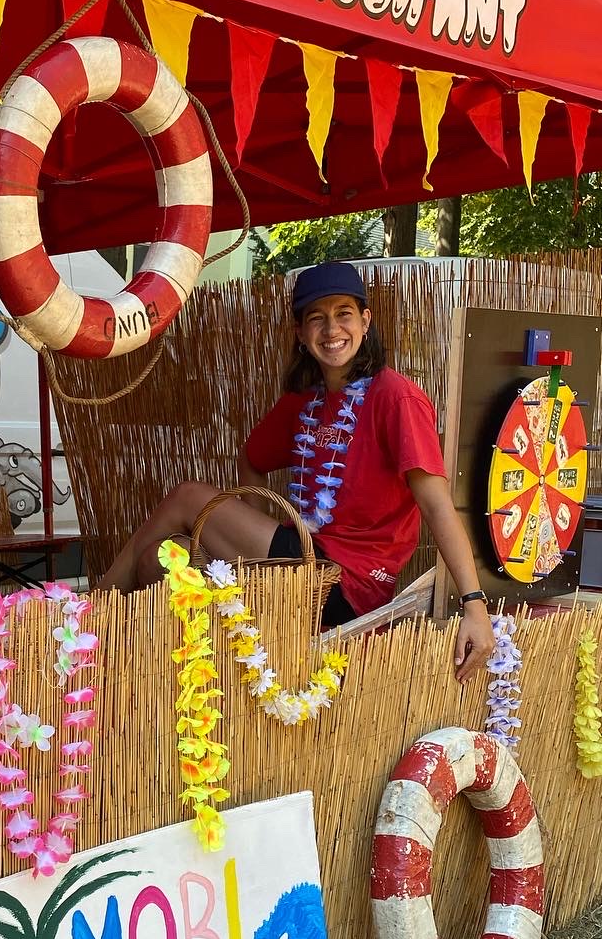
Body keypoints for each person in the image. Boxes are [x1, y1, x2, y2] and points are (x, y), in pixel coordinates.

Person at [99, 261, 495, 681]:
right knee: (161, 560)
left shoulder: (397, 398)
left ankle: (90, 617)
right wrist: (254, 546)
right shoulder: (306, 400)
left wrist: (474, 603)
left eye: (344, 313)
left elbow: (437, 507)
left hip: (349, 585)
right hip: (300, 558)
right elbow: (253, 459)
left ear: (365, 322)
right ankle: (172, 677)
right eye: (316, 318)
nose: (332, 329)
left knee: (187, 497)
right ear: (301, 334)